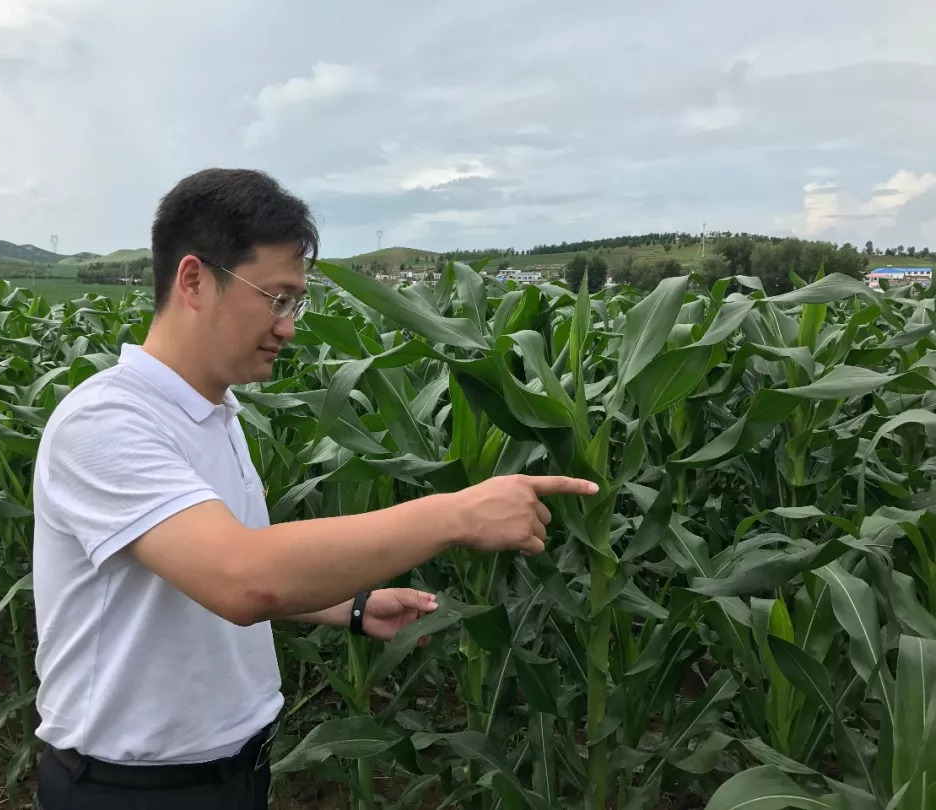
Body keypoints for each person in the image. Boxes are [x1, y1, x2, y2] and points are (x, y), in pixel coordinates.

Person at [30, 168, 599, 809]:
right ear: (193, 280)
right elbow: (241, 577)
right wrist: (457, 514)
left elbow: (211, 564)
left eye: (295, 302)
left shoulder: (216, 414)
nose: (290, 326)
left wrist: (347, 606)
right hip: (129, 789)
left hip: (234, 771)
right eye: (275, 297)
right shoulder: (106, 422)